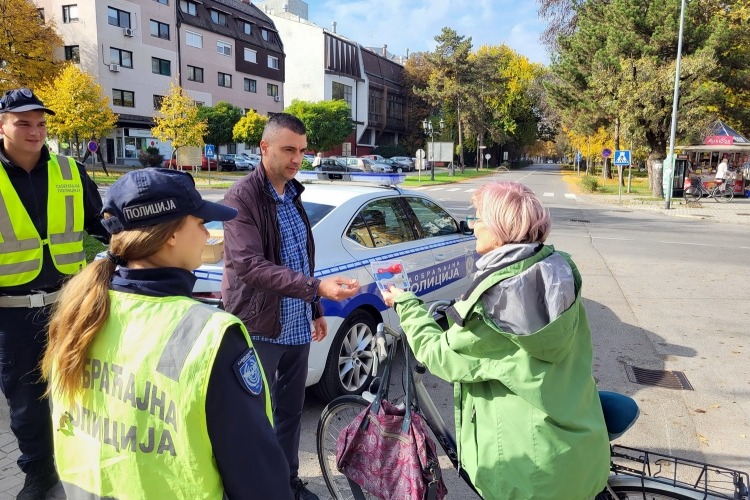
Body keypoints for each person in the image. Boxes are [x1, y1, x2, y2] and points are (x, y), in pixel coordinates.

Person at [41, 168, 293, 499]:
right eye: (201, 223)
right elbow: (257, 476)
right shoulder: (210, 334)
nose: (207, 235)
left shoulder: (80, 310)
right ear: (171, 234)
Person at [381, 181, 610, 500]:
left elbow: (440, 356)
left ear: (502, 228)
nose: (473, 226)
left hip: (532, 473)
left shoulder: (494, 303)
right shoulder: (555, 270)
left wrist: (406, 304)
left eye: (479, 217)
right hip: (581, 450)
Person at [222, 113, 360, 500]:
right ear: (264, 148)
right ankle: (254, 489)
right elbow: (250, 266)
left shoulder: (293, 192)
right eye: (288, 150)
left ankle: (286, 482)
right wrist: (316, 288)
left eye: (301, 150)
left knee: (289, 412)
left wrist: (314, 305)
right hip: (260, 327)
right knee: (253, 417)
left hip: (297, 324)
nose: (297, 158)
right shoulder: (241, 198)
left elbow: (299, 257)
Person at [0, 87, 110, 499]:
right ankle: (39, 473)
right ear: (3, 126)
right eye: (23, 123)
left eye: (41, 123)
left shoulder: (69, 170)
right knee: (27, 403)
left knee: (81, 387)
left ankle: (79, 460)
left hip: (69, 304)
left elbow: (102, 224)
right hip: (11, 313)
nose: (35, 131)